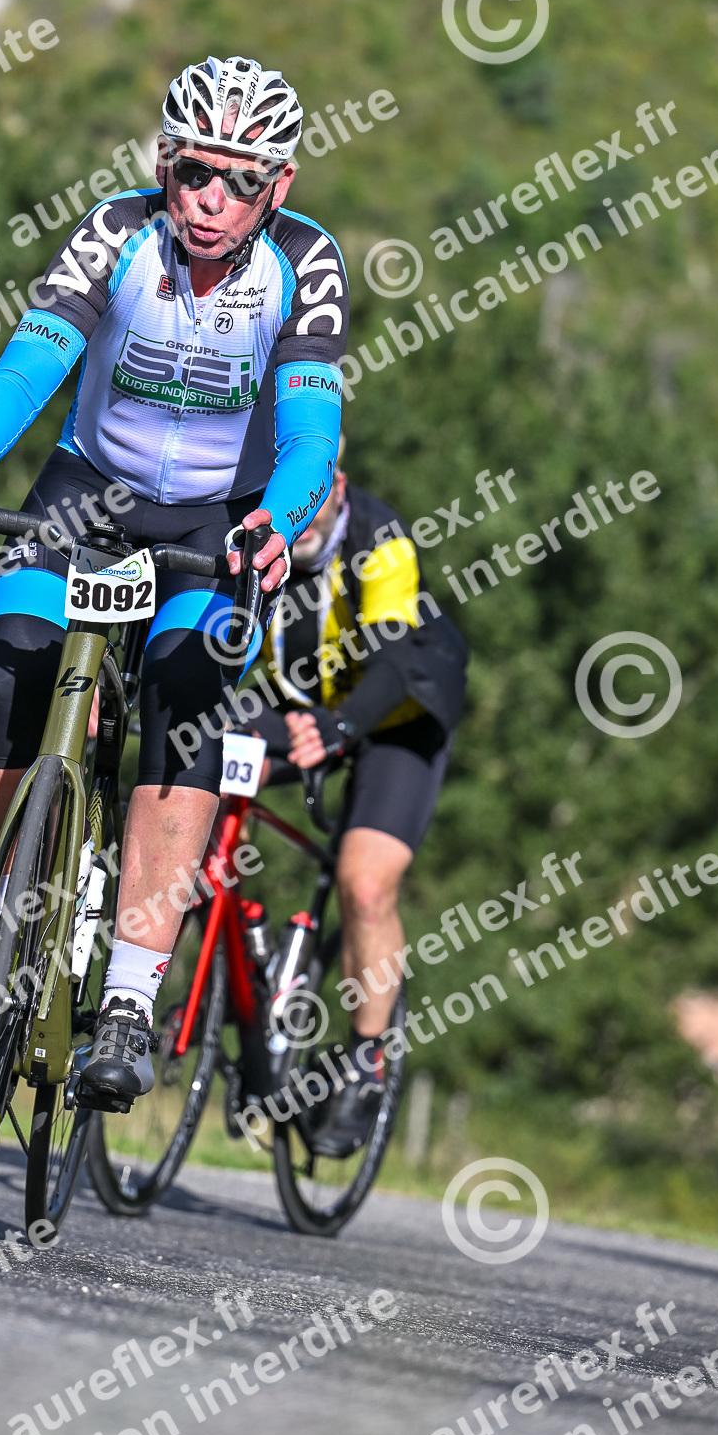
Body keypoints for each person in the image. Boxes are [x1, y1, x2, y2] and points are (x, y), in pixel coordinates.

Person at [0, 56, 348, 1108]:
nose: (210, 199)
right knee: (6, 662)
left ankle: (127, 1000)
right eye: (193, 171)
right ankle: (8, 912)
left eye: (239, 181)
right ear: (163, 162)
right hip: (87, 491)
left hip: (218, 515)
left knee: (184, 702)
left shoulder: (305, 260)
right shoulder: (116, 231)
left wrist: (278, 522)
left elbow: (309, 429)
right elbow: (34, 358)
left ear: (277, 187)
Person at [243, 448, 467, 1155]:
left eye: (315, 493)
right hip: (301, 708)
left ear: (338, 485)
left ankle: (365, 1063)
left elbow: (395, 659)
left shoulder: (379, 538)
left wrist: (341, 728)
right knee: (190, 775)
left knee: (365, 885)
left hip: (396, 714)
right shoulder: (252, 530)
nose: (302, 513)